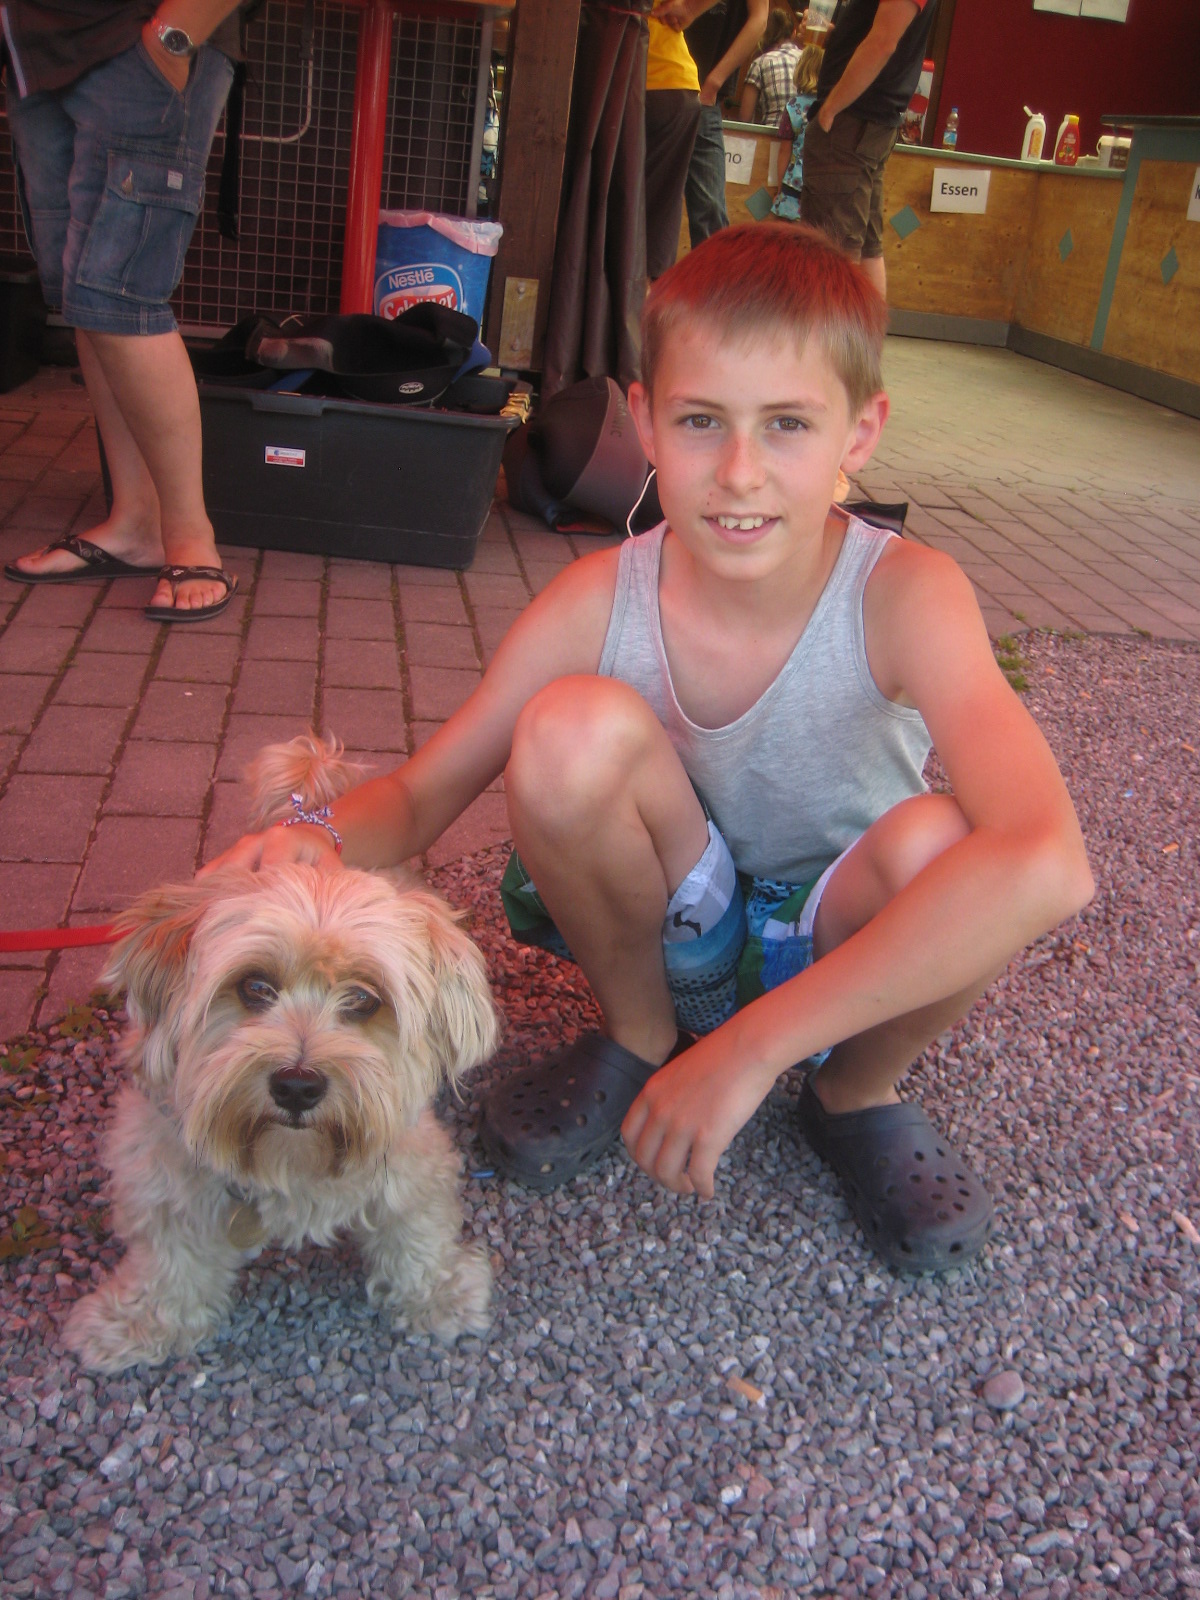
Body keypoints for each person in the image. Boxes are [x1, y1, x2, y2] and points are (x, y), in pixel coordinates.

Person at [208, 224, 1094, 1275]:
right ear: (645, 420)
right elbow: (417, 797)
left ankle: (855, 1086)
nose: (739, 473)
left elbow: (1049, 860)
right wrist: (310, 835)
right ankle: (639, 1036)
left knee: (949, 844)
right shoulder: (599, 594)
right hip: (683, 926)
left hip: (841, 941)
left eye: (788, 424)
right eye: (701, 420)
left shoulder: (908, 593)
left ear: (861, 432)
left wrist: (752, 1050)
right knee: (565, 729)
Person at [2, 2, 243, 622]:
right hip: (40, 52)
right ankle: (135, 524)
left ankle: (190, 537)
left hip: (136, 41)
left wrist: (171, 38)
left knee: (120, 294)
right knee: (83, 295)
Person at [800, 0, 939, 301]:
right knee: (864, 248)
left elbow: (883, 43)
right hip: (869, 121)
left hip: (853, 119)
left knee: (832, 252)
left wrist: (831, 107)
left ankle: (831, 333)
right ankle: (863, 332)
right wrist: (839, 34)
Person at [658, 0, 769, 250]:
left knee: (710, 213)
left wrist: (714, 82)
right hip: (661, 83)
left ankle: (713, 275)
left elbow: (760, 19)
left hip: (702, 95)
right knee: (651, 205)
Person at [769, 43, 824, 220]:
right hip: (822, 185)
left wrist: (779, 188)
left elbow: (785, 150)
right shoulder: (832, 107)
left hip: (794, 183)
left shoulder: (793, 107)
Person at [737, 5, 802, 126]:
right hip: (804, 133)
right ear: (794, 33)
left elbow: (745, 118)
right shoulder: (806, 59)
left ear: (764, 34)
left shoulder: (760, 63)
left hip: (772, 132)